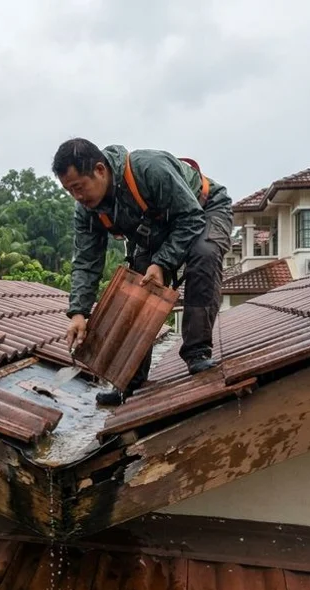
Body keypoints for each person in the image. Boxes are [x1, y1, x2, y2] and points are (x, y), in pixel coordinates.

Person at [52, 138, 234, 406]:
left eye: (79, 187)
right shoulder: (87, 211)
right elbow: (86, 262)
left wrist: (161, 263)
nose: (77, 197)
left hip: (203, 209)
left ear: (100, 170)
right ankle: (129, 381)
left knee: (204, 254)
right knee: (137, 284)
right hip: (156, 230)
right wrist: (79, 312)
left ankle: (197, 353)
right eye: (69, 191)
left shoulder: (149, 168)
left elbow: (191, 218)